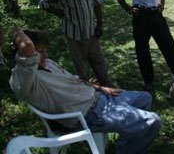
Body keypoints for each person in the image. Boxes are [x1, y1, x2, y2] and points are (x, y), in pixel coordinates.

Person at [9, 28, 161, 154]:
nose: (45, 55)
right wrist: (16, 30)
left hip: (99, 98)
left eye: (45, 51)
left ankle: (126, 144)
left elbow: (75, 79)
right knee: (153, 121)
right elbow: (27, 46)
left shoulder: (48, 64)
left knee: (145, 97)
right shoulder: (23, 79)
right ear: (23, 55)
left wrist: (102, 88)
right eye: (40, 52)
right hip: (88, 114)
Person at [39, 0, 115, 87]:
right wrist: (59, 12)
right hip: (73, 33)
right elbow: (43, 3)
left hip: (91, 30)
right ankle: (85, 88)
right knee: (79, 64)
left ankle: (106, 84)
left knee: (98, 60)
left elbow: (97, 3)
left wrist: (100, 24)